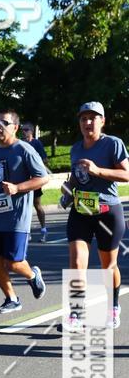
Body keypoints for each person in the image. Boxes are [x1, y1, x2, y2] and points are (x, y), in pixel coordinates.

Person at [0, 109, 49, 313]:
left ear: (15, 127)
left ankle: (32, 275)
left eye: (4, 123)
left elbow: (43, 178)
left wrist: (17, 188)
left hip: (16, 218)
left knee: (13, 262)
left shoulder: (24, 150)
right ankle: (11, 299)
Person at [61, 102, 129, 331]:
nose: (88, 122)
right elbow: (76, 177)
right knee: (76, 262)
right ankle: (76, 314)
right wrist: (67, 190)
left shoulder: (112, 144)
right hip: (81, 211)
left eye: (93, 118)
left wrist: (98, 171)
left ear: (102, 121)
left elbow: (127, 174)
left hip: (107, 213)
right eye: (83, 118)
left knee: (107, 266)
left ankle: (113, 307)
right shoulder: (76, 148)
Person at [21, 122, 49, 242]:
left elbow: (45, 160)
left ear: (31, 131)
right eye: (22, 130)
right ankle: (27, 232)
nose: (23, 132)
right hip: (23, 180)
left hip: (34, 180)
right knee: (23, 207)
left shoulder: (36, 143)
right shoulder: (20, 144)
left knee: (37, 205)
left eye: (26, 130)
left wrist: (36, 166)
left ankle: (43, 230)